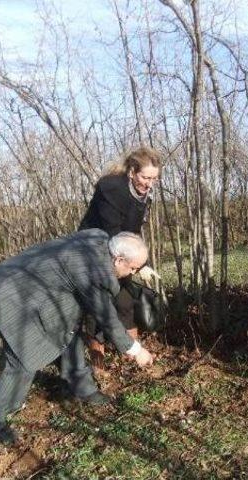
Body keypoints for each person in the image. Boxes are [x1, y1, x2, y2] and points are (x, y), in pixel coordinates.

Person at [0, 230, 155, 443]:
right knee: (22, 360)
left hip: (41, 289)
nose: (132, 273)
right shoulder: (91, 270)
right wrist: (136, 350)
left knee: (70, 330)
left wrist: (140, 267)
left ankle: (82, 389)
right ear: (118, 259)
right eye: (132, 268)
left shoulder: (99, 238)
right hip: (13, 292)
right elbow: (107, 318)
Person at [78, 147, 161, 366]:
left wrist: (143, 263)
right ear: (132, 171)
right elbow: (113, 233)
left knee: (125, 300)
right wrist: (137, 263)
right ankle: (98, 358)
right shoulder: (111, 189)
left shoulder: (142, 195)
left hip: (123, 252)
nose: (149, 183)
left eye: (154, 179)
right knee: (98, 305)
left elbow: (133, 233)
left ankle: (131, 351)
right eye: (145, 177)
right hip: (94, 252)